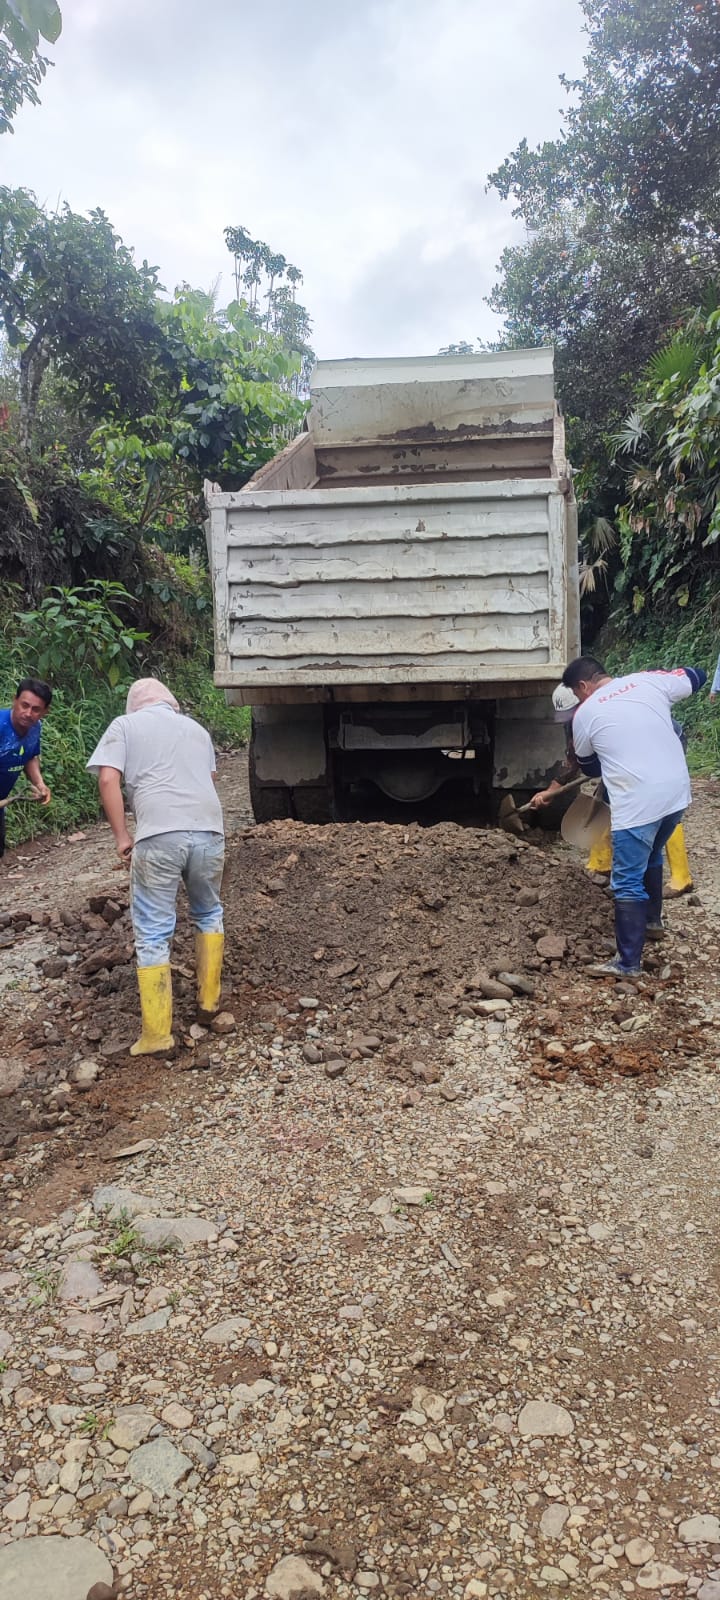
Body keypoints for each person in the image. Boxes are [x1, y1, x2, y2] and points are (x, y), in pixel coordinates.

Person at [87, 678, 225, 1057]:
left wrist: (122, 836)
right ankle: (209, 1002)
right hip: (210, 832)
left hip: (159, 835)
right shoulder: (197, 730)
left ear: (135, 704)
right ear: (171, 703)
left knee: (152, 932)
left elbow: (108, 778)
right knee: (209, 912)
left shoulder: (125, 725)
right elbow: (209, 780)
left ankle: (157, 1035)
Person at [561, 655, 707, 977]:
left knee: (626, 881)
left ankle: (627, 963)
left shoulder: (585, 712)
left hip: (638, 802)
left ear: (583, 686)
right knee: (652, 854)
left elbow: (589, 766)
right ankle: (652, 922)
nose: (578, 698)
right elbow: (698, 674)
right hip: (676, 794)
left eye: (575, 693)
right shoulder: (648, 680)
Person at [533, 683, 695, 896]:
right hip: (628, 750)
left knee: (661, 805)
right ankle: (601, 863)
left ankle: (681, 877)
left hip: (663, 741)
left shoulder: (612, 709)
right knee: (608, 799)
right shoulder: (582, 717)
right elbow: (575, 757)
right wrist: (552, 789)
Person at [0, 678, 52, 857]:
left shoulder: (35, 728)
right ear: (15, 701)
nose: (28, 713)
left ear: (45, 711)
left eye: (36, 709)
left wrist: (39, 784)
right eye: (24, 705)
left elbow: (29, 756)